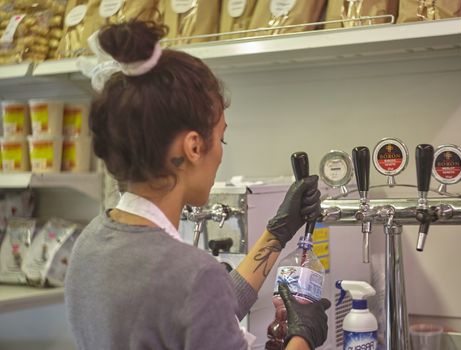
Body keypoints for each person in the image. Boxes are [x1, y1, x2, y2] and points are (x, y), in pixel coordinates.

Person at [64, 20, 331, 350]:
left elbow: (198, 310)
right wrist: (302, 338)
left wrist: (275, 235)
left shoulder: (90, 243)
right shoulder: (192, 276)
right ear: (193, 148)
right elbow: (195, 294)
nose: (220, 151)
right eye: (222, 138)